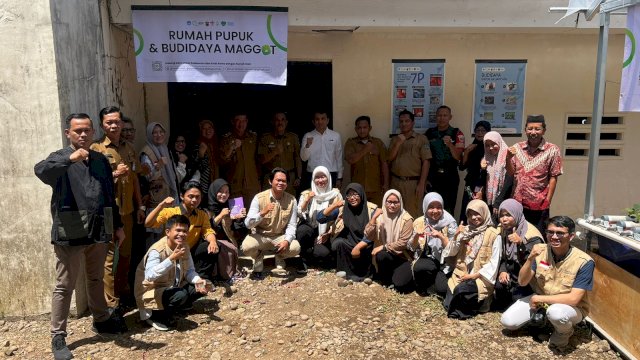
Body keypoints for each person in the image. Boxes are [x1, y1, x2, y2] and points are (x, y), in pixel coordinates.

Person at [35, 113, 127, 360]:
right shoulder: (60, 157)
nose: (83, 134)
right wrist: (69, 159)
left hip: (98, 228)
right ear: (68, 133)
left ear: (93, 131)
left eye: (87, 130)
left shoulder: (100, 160)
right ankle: (58, 335)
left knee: (95, 278)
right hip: (71, 228)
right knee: (65, 284)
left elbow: (109, 195)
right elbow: (41, 171)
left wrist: (117, 225)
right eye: (78, 131)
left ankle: (101, 319)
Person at [501, 216, 594, 349]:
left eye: (560, 233)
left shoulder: (584, 261)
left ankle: (564, 332)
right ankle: (544, 322)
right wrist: (530, 259)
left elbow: (574, 299)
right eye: (550, 232)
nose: (554, 237)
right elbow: (522, 282)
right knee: (508, 321)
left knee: (556, 313)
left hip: (569, 307)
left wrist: (539, 298)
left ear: (571, 236)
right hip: (541, 302)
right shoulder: (539, 250)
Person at [90, 106, 145, 312]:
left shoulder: (129, 148)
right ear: (102, 125)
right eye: (109, 122)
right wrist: (114, 174)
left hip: (128, 211)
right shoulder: (97, 150)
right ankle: (111, 304)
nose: (113, 125)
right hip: (108, 212)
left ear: (122, 123)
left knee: (126, 256)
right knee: (109, 259)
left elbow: (135, 179)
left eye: (117, 122)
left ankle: (122, 295)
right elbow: (92, 182)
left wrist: (140, 205)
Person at [134, 214, 211, 331]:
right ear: (168, 232)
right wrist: (171, 259)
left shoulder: (184, 246)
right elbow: (149, 276)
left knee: (202, 285)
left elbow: (190, 271)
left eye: (185, 231)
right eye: (178, 230)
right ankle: (156, 316)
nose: (181, 234)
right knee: (180, 295)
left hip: (171, 286)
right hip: (151, 291)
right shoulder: (157, 250)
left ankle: (176, 308)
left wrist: (198, 281)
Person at [145, 183, 219, 281]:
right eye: (190, 196)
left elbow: (207, 231)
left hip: (190, 252)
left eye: (198, 197)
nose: (194, 200)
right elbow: (148, 223)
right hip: (172, 253)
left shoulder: (202, 215)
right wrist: (161, 205)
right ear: (181, 196)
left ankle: (201, 279)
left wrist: (213, 242)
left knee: (210, 246)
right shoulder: (170, 212)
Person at [443, 200, 501, 319]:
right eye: (470, 214)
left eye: (477, 213)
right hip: (461, 273)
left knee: (460, 295)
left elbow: (493, 264)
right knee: (448, 304)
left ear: (484, 213)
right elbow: (451, 252)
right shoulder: (465, 231)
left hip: (479, 277)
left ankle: (484, 302)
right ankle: (474, 303)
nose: (473, 217)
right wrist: (456, 236)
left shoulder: (494, 234)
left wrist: (472, 277)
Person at [507, 115, 562, 234]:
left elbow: (554, 176)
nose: (533, 132)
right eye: (530, 128)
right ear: (525, 129)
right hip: (518, 203)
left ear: (544, 130)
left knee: (537, 236)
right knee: (517, 235)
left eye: (537, 129)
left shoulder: (552, 150)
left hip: (539, 203)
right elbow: (511, 173)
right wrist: (508, 158)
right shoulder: (517, 148)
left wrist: (548, 200)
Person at [241, 168, 302, 278]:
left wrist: (287, 241)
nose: (280, 183)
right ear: (270, 181)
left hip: (279, 237)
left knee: (295, 247)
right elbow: (247, 224)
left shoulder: (292, 200)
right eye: (278, 180)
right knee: (246, 247)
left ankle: (279, 256)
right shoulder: (259, 198)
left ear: (287, 184)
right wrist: (262, 213)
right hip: (261, 236)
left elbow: (292, 225)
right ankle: (258, 256)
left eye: (284, 181)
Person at [318, 183, 378, 281]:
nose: (352, 198)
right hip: (350, 242)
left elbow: (374, 234)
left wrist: (359, 247)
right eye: (349, 195)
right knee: (339, 243)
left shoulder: (371, 209)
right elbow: (320, 218)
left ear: (361, 194)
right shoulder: (344, 208)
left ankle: (365, 274)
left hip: (366, 244)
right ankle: (345, 273)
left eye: (355, 194)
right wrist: (334, 205)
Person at [493, 199, 544, 310]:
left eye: (508, 215)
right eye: (501, 215)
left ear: (517, 214)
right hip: (512, 271)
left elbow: (534, 263)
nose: (504, 219)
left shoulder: (532, 236)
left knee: (518, 298)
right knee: (499, 286)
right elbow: (503, 254)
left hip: (528, 278)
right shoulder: (503, 229)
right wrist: (503, 270)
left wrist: (521, 244)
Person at [405, 192, 458, 296]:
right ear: (425, 207)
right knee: (419, 268)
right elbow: (411, 247)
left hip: (446, 261)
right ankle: (430, 282)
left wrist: (441, 237)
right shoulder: (420, 221)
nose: (435, 211)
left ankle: (437, 281)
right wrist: (416, 236)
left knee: (442, 290)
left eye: (439, 207)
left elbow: (454, 250)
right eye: (431, 207)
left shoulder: (450, 223)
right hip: (429, 258)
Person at [364, 190, 414, 291]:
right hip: (386, 255)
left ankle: (400, 275)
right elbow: (368, 235)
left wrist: (383, 246)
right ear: (384, 202)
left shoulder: (407, 219)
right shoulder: (379, 216)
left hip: (402, 257)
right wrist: (373, 219)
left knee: (400, 285)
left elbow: (403, 243)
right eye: (389, 202)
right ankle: (387, 279)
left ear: (400, 202)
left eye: (396, 202)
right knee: (382, 255)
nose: (392, 205)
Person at [388, 110, 432, 218]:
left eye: (407, 121)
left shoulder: (421, 139)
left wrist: (421, 184)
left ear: (413, 123)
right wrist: (398, 143)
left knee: (413, 214)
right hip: (396, 181)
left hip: (413, 183)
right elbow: (389, 159)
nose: (404, 124)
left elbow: (426, 161)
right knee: (394, 213)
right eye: (401, 121)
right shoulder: (395, 139)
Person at [296, 166, 342, 267]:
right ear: (313, 179)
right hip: (309, 228)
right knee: (302, 231)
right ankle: (303, 259)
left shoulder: (336, 194)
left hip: (326, 231)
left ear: (328, 178)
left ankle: (315, 253)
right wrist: (307, 200)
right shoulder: (306, 194)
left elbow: (340, 218)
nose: (320, 180)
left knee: (322, 254)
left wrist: (328, 233)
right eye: (317, 177)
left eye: (323, 177)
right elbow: (299, 214)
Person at [425, 105, 465, 215]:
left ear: (450, 117)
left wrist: (450, 145)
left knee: (448, 208)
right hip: (433, 177)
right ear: (435, 117)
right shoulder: (429, 133)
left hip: (450, 177)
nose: (441, 118)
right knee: (432, 208)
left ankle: (448, 231)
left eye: (444, 115)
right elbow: (424, 156)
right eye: (439, 115)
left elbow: (458, 157)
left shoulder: (457, 133)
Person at [344, 115, 389, 206]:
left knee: (376, 214)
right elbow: (351, 160)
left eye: (365, 127)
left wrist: (386, 184)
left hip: (375, 188)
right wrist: (366, 149)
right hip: (357, 188)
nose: (362, 130)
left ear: (370, 128)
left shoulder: (378, 142)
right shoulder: (351, 142)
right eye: (359, 128)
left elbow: (384, 163)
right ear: (355, 129)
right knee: (358, 214)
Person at [208, 179, 247, 282]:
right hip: (212, 240)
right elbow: (207, 227)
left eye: (227, 192)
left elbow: (238, 230)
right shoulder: (206, 208)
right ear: (214, 192)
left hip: (229, 238)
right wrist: (221, 215)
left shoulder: (231, 206)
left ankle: (232, 272)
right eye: (220, 191)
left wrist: (238, 218)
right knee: (227, 248)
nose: (224, 195)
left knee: (231, 246)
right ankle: (225, 275)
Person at [220, 111, 261, 205]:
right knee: (237, 216)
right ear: (232, 122)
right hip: (235, 186)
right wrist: (231, 148)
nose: (241, 124)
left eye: (243, 121)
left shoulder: (254, 138)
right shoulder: (227, 139)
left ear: (247, 121)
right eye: (238, 121)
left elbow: (259, 160)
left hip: (252, 185)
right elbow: (222, 161)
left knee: (252, 217)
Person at [258, 111, 303, 195]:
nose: (280, 122)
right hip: (271, 178)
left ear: (286, 122)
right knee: (271, 204)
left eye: (282, 120)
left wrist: (298, 177)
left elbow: (297, 158)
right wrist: (274, 152)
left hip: (289, 178)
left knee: (288, 205)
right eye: (277, 120)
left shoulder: (293, 137)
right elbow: (261, 160)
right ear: (273, 122)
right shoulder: (265, 138)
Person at [300, 110, 344, 188]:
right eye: (317, 119)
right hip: (313, 174)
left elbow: (339, 157)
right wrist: (308, 145)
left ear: (327, 120)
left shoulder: (335, 136)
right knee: (314, 199)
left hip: (331, 174)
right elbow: (303, 158)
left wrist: (339, 178)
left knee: (331, 199)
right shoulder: (308, 136)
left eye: (323, 119)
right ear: (313, 121)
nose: (320, 122)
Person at [140, 122, 180, 208]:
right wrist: (158, 166)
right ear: (150, 135)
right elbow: (146, 177)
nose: (159, 135)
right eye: (154, 133)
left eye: (161, 132)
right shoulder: (146, 153)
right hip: (157, 198)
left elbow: (173, 174)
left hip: (170, 194)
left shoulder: (165, 148)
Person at [459, 121, 490, 222]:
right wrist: (467, 151)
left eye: (483, 130)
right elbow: (462, 167)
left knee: (480, 209)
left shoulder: (490, 148)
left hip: (484, 184)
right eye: (477, 130)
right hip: (470, 184)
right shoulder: (472, 147)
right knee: (467, 207)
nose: (480, 133)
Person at [481, 131, 514, 221]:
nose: (490, 148)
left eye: (493, 144)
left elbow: (509, 181)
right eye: (487, 145)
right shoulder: (486, 158)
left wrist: (498, 202)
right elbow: (484, 181)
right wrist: (483, 169)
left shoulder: (508, 157)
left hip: (504, 200)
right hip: (489, 201)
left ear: (499, 142)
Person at [193, 119, 219, 208]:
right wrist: (201, 154)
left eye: (210, 127)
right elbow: (198, 167)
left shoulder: (216, 144)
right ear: (200, 131)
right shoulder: (198, 145)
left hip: (217, 185)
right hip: (205, 187)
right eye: (204, 129)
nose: (208, 130)